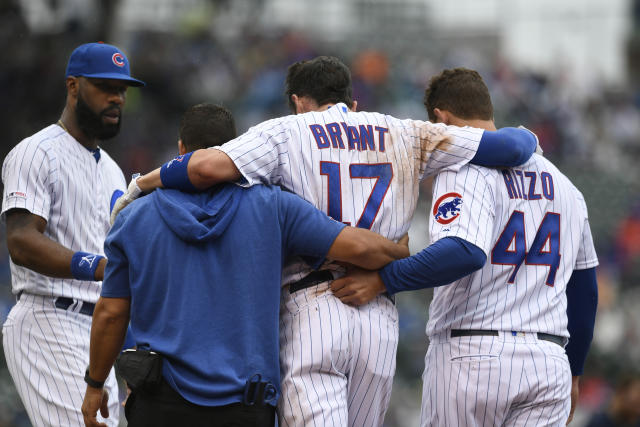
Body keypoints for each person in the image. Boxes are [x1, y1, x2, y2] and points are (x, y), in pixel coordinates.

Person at [110, 56, 539, 426]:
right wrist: (531, 135)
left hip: (313, 304)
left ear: (298, 102)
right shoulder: (405, 132)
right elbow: (514, 146)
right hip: (378, 312)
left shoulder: (286, 131)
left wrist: (144, 181)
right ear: (352, 102)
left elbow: (204, 169)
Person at [80, 103, 410, 427]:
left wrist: (95, 385)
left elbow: (111, 312)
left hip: (161, 401)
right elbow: (359, 247)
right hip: (244, 405)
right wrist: (399, 251)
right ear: (236, 150)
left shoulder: (134, 217)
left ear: (181, 149)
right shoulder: (274, 207)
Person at [330, 68, 599, 426]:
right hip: (548, 362)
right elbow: (585, 289)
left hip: (474, 354)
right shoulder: (565, 186)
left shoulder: (463, 168)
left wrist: (383, 279)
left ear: (441, 118)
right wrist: (575, 371)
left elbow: (464, 251)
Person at [1, 42, 144, 427]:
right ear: (73, 86)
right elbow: (21, 240)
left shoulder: (114, 170)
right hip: (48, 316)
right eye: (105, 87)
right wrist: (96, 266)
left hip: (98, 330)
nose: (116, 98)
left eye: (122, 90)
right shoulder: (36, 152)